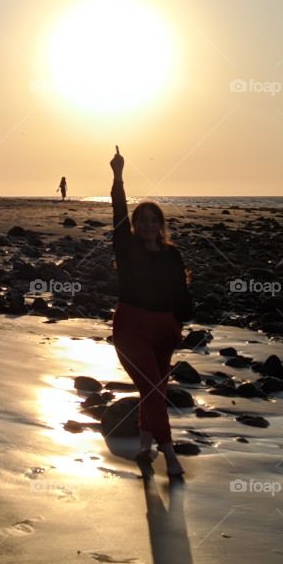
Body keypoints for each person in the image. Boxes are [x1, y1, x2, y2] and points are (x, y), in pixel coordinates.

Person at [109, 145, 193, 477]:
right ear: (134, 225)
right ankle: (168, 453)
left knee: (151, 389)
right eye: (140, 219)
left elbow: (181, 293)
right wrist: (118, 177)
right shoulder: (127, 249)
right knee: (155, 389)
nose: (146, 224)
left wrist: (181, 322)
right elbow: (117, 211)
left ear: (160, 224)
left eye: (152, 219)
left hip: (164, 329)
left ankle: (144, 446)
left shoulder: (172, 255)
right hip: (131, 328)